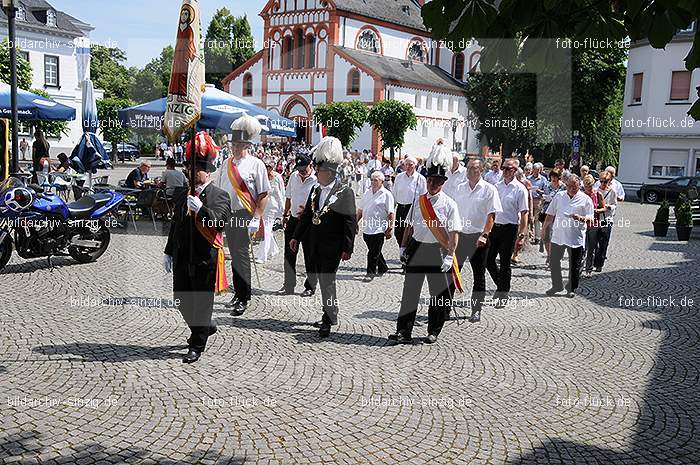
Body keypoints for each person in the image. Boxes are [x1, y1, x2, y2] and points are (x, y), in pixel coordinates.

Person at [163, 132, 231, 364]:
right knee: (181, 299)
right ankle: (205, 326)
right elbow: (176, 225)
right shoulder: (185, 194)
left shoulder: (219, 196)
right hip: (183, 255)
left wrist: (201, 209)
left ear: (207, 170)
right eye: (188, 170)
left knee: (202, 303)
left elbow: (219, 223)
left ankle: (196, 344)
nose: (191, 173)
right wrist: (169, 251)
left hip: (204, 257)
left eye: (195, 170)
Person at [389, 143, 461, 345]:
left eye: (437, 181)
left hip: (437, 251)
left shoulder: (449, 204)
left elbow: (454, 233)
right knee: (410, 292)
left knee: (437, 294)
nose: (432, 184)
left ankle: (433, 330)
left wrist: (450, 255)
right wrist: (403, 247)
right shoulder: (419, 201)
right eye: (430, 180)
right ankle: (403, 330)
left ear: (443, 182)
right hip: (417, 247)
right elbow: (409, 226)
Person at [290, 137, 356, 338]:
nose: (316, 173)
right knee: (321, 278)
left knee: (327, 280)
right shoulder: (315, 190)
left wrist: (348, 247)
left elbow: (350, 221)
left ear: (329, 172)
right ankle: (332, 312)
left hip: (333, 246)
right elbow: (308, 216)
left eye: (319, 171)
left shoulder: (345, 192)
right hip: (315, 243)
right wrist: (296, 237)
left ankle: (327, 319)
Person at [213, 115, 270, 316]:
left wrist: (257, 217)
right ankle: (238, 293)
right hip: (228, 214)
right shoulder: (225, 165)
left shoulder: (256, 164)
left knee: (241, 256)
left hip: (245, 214)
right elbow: (218, 190)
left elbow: (263, 194)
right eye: (233, 144)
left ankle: (244, 297)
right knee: (234, 255)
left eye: (239, 145)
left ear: (246, 144)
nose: (235, 148)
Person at [451, 158, 502, 323]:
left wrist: (485, 235)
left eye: (473, 168)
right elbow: (452, 212)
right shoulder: (459, 188)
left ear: (480, 170)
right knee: (452, 272)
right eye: (468, 168)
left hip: (478, 237)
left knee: (479, 275)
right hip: (460, 236)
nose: (469, 171)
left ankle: (476, 310)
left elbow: (491, 215)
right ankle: (444, 308)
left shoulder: (489, 190)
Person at [542, 174, 593, 297]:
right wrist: (544, 230)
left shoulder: (586, 199)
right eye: (569, 186)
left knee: (574, 265)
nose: (571, 189)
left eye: (574, 187)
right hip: (558, 236)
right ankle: (557, 285)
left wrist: (580, 218)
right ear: (566, 185)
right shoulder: (559, 196)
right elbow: (550, 215)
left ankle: (571, 288)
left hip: (576, 237)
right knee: (554, 262)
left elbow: (591, 219)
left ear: (579, 186)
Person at [486, 158, 529, 308]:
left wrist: (522, 234)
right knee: (488, 260)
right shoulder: (496, 186)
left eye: (509, 168)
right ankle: (502, 286)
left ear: (515, 171)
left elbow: (524, 213)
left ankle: (503, 294)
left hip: (510, 228)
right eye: (504, 168)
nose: (505, 171)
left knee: (505, 263)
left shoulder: (520, 189)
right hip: (494, 228)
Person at [279, 153, 318, 296]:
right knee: (289, 254)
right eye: (299, 169)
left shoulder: (317, 180)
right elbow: (288, 196)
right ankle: (288, 285)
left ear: (311, 166)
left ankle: (310, 286)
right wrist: (285, 213)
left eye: (304, 169)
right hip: (294, 220)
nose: (301, 172)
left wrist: (310, 212)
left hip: (309, 222)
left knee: (309, 254)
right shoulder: (294, 177)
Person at [357, 171, 395, 281]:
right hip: (367, 228)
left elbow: (391, 213)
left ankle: (370, 273)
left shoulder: (387, 194)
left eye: (376, 180)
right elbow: (360, 209)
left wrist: (390, 228)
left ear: (382, 182)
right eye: (372, 179)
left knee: (372, 252)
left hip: (379, 228)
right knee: (374, 250)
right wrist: (355, 222)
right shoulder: (367, 192)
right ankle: (383, 267)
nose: (373, 182)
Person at [391, 156, 427, 253]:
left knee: (410, 233)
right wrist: (391, 209)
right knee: (398, 233)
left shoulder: (421, 179)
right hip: (400, 208)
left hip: (413, 209)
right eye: (406, 164)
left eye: (411, 164)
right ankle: (403, 251)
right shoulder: (399, 177)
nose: (408, 167)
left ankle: (408, 255)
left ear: (415, 165)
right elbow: (394, 193)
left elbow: (424, 196)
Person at [256, 159, 285, 263]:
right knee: (268, 230)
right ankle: (274, 249)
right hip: (263, 206)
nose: (267, 169)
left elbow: (282, 193)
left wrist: (283, 209)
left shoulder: (278, 178)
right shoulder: (261, 177)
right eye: (266, 167)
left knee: (267, 230)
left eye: (269, 167)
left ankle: (262, 256)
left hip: (273, 207)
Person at [592, 171, 617, 272]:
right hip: (596, 219)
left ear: (609, 181)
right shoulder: (595, 191)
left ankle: (599, 264)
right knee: (594, 242)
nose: (603, 183)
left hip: (607, 219)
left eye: (605, 181)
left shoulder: (612, 192)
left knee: (603, 243)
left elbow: (615, 205)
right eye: (601, 181)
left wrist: (609, 206)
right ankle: (593, 261)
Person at [582, 174, 606, 277]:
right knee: (582, 248)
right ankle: (579, 269)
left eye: (590, 186)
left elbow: (604, 208)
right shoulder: (581, 195)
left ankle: (588, 269)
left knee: (591, 248)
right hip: (582, 224)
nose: (588, 189)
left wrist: (596, 210)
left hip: (594, 224)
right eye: (586, 186)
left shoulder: (598, 194)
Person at [540, 169, 565, 264]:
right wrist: (544, 197)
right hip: (547, 213)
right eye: (552, 176)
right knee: (547, 236)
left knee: (557, 236)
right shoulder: (547, 185)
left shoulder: (563, 187)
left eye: (555, 176)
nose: (553, 178)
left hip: (559, 214)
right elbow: (543, 196)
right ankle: (549, 255)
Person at [527, 162, 547, 244]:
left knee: (536, 219)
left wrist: (540, 191)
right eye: (535, 170)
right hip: (529, 199)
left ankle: (537, 237)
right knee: (528, 218)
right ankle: (528, 236)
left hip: (538, 200)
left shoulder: (543, 179)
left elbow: (546, 191)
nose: (536, 171)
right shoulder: (528, 178)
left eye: (538, 170)